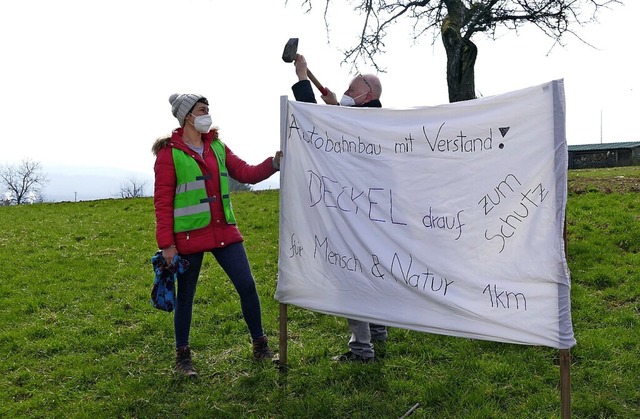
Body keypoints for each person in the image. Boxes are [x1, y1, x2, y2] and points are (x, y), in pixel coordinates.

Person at [152, 93, 282, 376]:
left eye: (208, 109)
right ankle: (183, 357)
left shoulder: (217, 146)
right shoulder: (168, 153)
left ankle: (260, 346)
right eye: (202, 110)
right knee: (186, 297)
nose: (207, 114)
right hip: (188, 236)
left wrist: (273, 163)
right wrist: (166, 245)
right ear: (187, 116)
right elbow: (162, 202)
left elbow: (245, 173)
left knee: (247, 286)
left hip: (225, 231)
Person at [291, 55, 387, 363]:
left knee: (352, 279)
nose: (347, 91)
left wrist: (302, 78)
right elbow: (344, 129)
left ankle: (362, 349)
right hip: (371, 213)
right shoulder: (376, 120)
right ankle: (378, 330)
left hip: (351, 216)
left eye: (351, 88)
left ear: (366, 95)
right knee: (371, 273)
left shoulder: (361, 120)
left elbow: (313, 123)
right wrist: (335, 105)